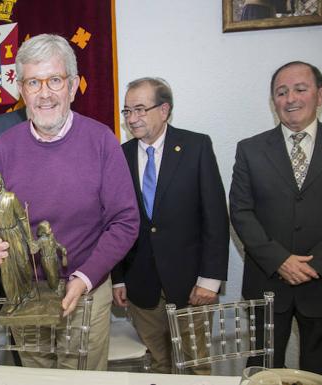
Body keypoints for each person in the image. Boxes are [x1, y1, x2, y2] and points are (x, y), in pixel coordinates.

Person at [0, 33, 139, 370]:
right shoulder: (4, 147)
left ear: (72, 86)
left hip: (85, 289)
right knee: (37, 378)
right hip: (26, 294)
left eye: (54, 80)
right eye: (33, 82)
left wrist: (85, 277)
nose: (44, 93)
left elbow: (126, 221)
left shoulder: (102, 141)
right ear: (21, 91)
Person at [230, 61, 322, 376]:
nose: (290, 99)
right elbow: (241, 212)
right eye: (281, 92)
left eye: (300, 89)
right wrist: (281, 260)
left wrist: (317, 263)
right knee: (263, 372)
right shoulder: (250, 149)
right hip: (268, 283)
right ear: (274, 101)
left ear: (321, 94)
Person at [111, 77, 230, 374]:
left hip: (192, 285)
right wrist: (118, 278)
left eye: (140, 109)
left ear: (164, 110)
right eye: (127, 111)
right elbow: (112, 221)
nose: (132, 118)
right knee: (159, 364)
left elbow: (215, 217)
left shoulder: (196, 146)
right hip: (141, 286)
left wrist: (210, 280)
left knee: (196, 365)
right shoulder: (119, 156)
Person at [0, 171, 37, 314]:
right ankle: (13, 299)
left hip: (15, 234)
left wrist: (30, 240)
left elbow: (23, 218)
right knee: (6, 271)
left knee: (23, 264)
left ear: (2, 182)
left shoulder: (11, 198)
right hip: (1, 237)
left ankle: (29, 289)